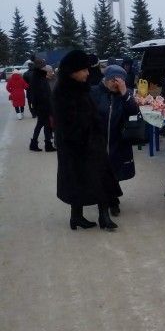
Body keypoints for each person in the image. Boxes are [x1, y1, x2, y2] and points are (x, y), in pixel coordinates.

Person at [52, 50, 123, 231]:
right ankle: (87, 217)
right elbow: (67, 124)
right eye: (83, 69)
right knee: (86, 180)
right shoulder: (63, 93)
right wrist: (85, 138)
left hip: (90, 143)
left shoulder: (81, 88)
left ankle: (92, 217)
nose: (88, 73)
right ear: (72, 71)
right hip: (78, 146)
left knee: (97, 179)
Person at [90, 65, 140, 216]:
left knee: (114, 171)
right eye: (113, 80)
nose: (116, 84)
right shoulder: (94, 92)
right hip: (98, 140)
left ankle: (112, 200)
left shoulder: (124, 95)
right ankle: (107, 202)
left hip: (118, 140)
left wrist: (125, 93)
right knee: (100, 171)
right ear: (106, 79)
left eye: (119, 81)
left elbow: (134, 111)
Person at [29, 57, 56, 152]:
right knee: (46, 125)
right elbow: (43, 94)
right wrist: (49, 105)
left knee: (41, 124)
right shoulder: (39, 78)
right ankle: (47, 145)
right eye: (44, 66)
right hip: (43, 106)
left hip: (41, 106)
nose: (45, 67)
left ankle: (35, 143)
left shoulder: (38, 76)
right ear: (40, 67)